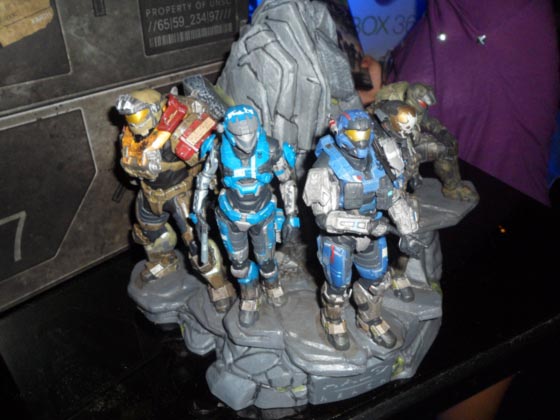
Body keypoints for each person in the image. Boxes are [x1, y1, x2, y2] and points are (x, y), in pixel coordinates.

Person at [359, 0, 560, 206]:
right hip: (435, 207)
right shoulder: (447, 10)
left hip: (492, 214)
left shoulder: (499, 12)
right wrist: (382, 93)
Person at [302, 110, 419, 351]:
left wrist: (408, 231)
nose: (361, 140)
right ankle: (333, 319)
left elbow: (394, 197)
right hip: (340, 237)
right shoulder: (325, 164)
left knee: (376, 281)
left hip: (374, 231)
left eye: (365, 134)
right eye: (355, 135)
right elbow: (324, 219)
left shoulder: (381, 156)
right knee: (337, 287)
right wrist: (366, 226)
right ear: (341, 133)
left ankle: (369, 320)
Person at [115, 89, 236, 312]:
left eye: (138, 115)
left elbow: (210, 153)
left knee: (198, 245)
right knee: (149, 233)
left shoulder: (178, 131)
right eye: (130, 116)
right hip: (149, 194)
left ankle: (220, 285)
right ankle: (165, 261)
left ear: (154, 111)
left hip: (180, 195)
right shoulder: (129, 135)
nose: (133, 122)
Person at [192, 104, 300, 327]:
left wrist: (291, 214)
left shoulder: (272, 148)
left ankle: (271, 285)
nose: (246, 139)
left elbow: (287, 181)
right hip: (230, 215)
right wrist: (198, 212)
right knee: (239, 265)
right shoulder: (218, 148)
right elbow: (203, 180)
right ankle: (250, 295)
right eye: (240, 134)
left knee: (266, 260)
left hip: (263, 214)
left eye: (250, 132)